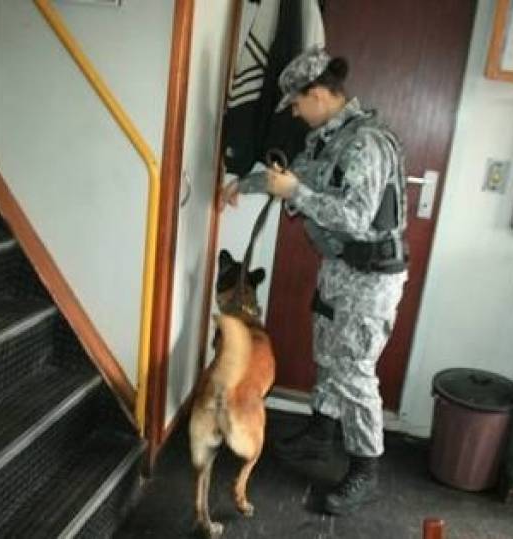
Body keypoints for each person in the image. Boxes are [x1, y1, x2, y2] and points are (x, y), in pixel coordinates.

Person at [220, 47, 409, 516]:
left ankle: (366, 470)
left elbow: (354, 217)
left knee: (356, 374)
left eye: (297, 103)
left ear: (319, 94)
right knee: (328, 355)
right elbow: (293, 176)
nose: (295, 112)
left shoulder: (366, 142)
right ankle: (319, 434)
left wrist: (295, 193)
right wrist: (240, 186)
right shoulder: (328, 138)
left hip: (370, 278)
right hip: (340, 269)